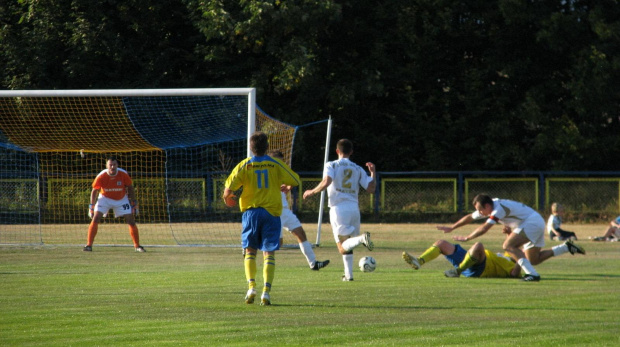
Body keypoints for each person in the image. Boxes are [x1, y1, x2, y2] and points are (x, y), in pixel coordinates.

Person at [223, 132, 301, 306]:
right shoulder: (276, 163)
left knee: (249, 251)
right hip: (271, 213)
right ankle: (266, 292)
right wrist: (286, 185)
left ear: (251, 148)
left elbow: (228, 191)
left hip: (251, 213)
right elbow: (295, 179)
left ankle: (251, 287)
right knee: (269, 253)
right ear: (267, 147)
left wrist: (228, 199)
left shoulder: (245, 164)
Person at [436, 194, 586, 282]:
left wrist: (468, 237)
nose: (479, 213)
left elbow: (484, 228)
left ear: (488, 206)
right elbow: (470, 217)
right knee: (534, 259)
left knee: (508, 245)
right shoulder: (491, 205)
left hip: (531, 223)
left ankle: (532, 274)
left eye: (480, 209)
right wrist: (452, 228)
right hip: (534, 222)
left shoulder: (498, 209)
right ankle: (565, 247)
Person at [303, 139, 376, 282]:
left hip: (338, 209)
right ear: (351, 152)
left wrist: (312, 191)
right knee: (349, 244)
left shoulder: (331, 165)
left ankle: (362, 238)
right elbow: (371, 189)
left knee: (343, 247)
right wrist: (372, 173)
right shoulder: (357, 168)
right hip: (354, 209)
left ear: (337, 151)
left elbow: (327, 181)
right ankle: (349, 275)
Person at [267, 150, 330, 271]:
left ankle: (313, 263)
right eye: (278, 161)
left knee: (300, 233)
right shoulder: (266, 174)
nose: (281, 164)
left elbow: (294, 180)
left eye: (282, 161)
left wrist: (289, 186)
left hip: (285, 210)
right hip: (274, 211)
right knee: (278, 244)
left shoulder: (281, 172)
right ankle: (250, 246)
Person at [84, 156, 144, 252]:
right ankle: (88, 245)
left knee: (130, 220)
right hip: (105, 198)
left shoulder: (123, 174)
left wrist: (134, 203)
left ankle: (137, 246)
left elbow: (130, 187)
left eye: (114, 164)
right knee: (96, 217)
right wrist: (91, 206)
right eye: (110, 165)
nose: (112, 167)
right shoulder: (102, 176)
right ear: (106, 165)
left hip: (121, 199)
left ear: (117, 165)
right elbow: (94, 190)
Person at [402, 237, 522, 278]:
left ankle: (457, 271)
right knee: (441, 243)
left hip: (480, 268)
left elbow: (514, 274)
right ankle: (419, 261)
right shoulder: (508, 256)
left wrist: (522, 260)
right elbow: (510, 247)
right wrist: (508, 232)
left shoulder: (513, 264)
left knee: (478, 246)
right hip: (472, 259)